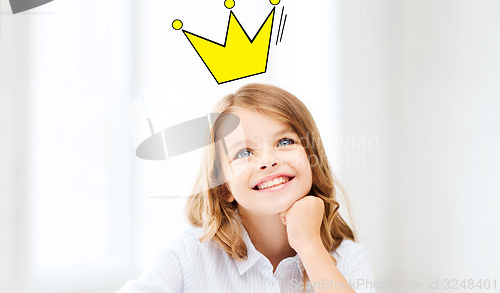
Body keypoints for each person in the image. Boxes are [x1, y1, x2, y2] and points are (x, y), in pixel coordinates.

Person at [118, 83, 376, 293]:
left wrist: (310, 247)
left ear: (311, 159)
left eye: (284, 141)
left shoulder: (347, 259)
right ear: (224, 188)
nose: (268, 160)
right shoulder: (190, 254)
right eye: (244, 152)